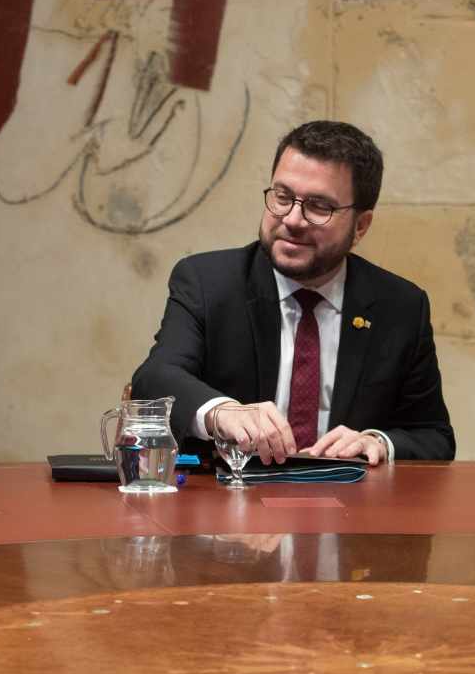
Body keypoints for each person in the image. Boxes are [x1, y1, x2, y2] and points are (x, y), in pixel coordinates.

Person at [131, 120, 454, 465]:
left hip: (350, 511)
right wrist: (220, 412)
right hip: (228, 505)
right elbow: (156, 378)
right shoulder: (208, 283)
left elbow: (434, 436)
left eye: (318, 206)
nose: (293, 219)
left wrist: (378, 442)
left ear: (360, 226)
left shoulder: (400, 306)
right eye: (283, 197)